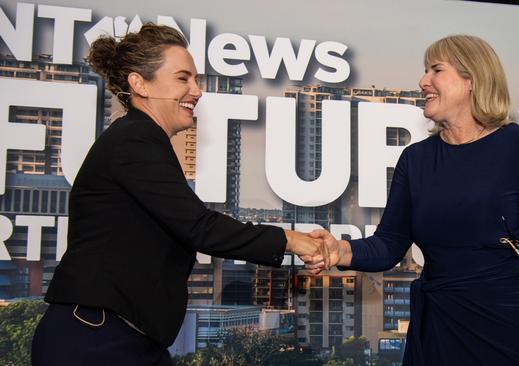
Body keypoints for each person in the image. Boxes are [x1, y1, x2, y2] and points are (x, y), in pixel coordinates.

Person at [304, 35, 519, 365]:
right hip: (440, 330)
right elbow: (389, 244)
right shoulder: (415, 160)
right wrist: (340, 250)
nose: (423, 81)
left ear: (472, 80)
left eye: (436, 70)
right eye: (424, 71)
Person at [31, 24, 323, 366]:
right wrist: (293, 240)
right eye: (183, 79)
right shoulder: (135, 140)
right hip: (95, 339)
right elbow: (199, 227)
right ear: (139, 83)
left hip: (126, 338)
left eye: (195, 79)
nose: (196, 91)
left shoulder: (142, 140)